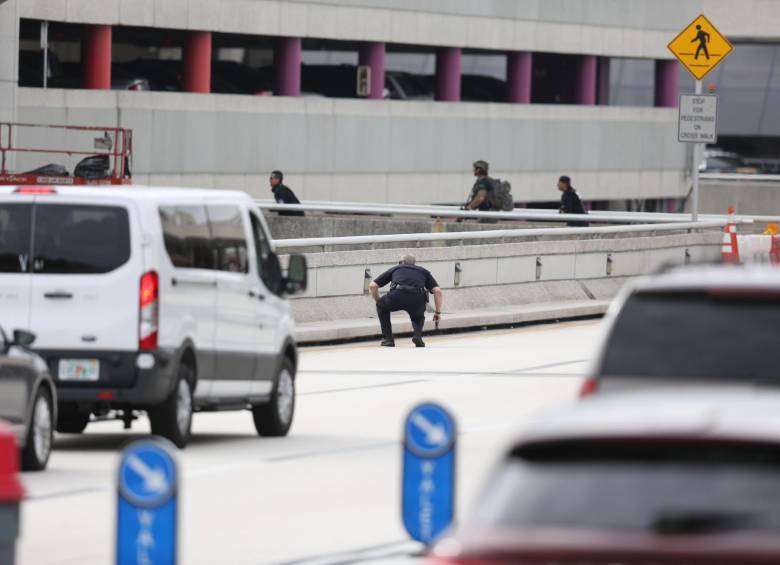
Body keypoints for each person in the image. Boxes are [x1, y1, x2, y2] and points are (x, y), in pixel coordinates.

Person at [369, 254, 443, 348]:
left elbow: (373, 285)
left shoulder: (396, 268)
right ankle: (417, 336)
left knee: (381, 306)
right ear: (414, 264)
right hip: (417, 298)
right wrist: (437, 312)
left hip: (397, 295)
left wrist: (379, 301)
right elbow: (437, 291)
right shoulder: (423, 271)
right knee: (418, 317)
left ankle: (388, 339)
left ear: (400, 263)